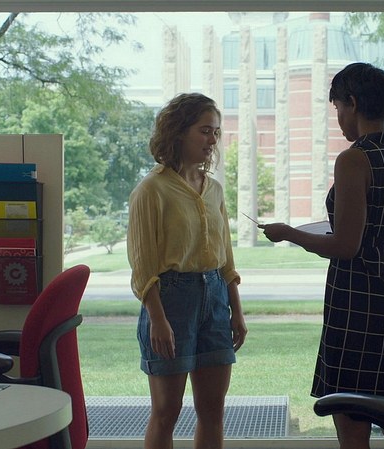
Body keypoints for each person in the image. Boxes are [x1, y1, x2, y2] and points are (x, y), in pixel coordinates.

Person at [260, 62, 384, 449]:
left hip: (359, 302)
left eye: (337, 107)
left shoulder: (353, 160)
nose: (338, 118)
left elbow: (346, 246)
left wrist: (289, 233)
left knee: (352, 418)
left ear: (352, 103)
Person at [127, 92, 247, 449]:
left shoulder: (215, 190)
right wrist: (157, 319)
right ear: (179, 132)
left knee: (213, 409)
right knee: (167, 411)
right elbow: (143, 265)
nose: (212, 140)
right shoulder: (151, 190)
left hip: (216, 298)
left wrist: (237, 311)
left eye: (216, 132)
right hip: (170, 301)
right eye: (204, 131)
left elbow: (226, 259)